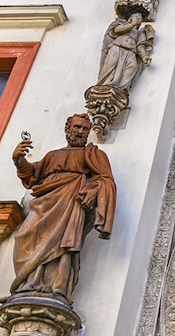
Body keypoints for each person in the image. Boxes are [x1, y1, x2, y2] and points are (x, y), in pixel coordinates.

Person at [9, 114, 116, 304]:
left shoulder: (92, 154)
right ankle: (30, 282)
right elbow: (33, 176)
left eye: (85, 129)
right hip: (45, 202)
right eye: (77, 127)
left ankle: (56, 286)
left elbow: (106, 180)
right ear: (68, 129)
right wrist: (19, 160)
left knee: (64, 243)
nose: (81, 132)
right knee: (24, 236)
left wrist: (93, 190)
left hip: (71, 201)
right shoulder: (53, 155)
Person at [97, 11, 153, 92]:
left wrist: (144, 56)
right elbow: (117, 30)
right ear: (130, 19)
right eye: (136, 18)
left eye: (140, 19)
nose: (139, 20)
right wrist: (132, 25)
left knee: (133, 66)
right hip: (117, 47)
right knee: (111, 65)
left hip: (131, 51)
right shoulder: (121, 24)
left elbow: (140, 46)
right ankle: (105, 84)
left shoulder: (139, 32)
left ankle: (122, 89)